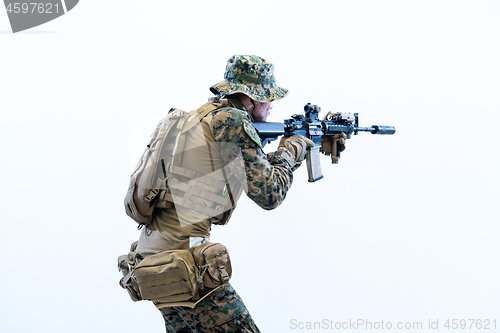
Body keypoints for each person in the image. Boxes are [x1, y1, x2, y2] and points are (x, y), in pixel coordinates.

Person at [134, 54, 314, 333]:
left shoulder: (197, 117)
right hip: (187, 266)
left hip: (152, 266)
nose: (271, 107)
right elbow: (270, 194)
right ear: (252, 98)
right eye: (269, 98)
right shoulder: (232, 121)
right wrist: (290, 152)